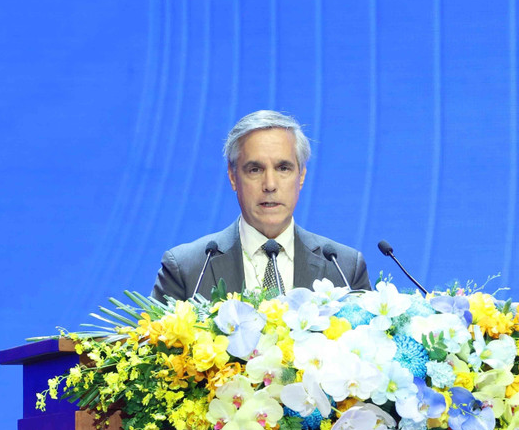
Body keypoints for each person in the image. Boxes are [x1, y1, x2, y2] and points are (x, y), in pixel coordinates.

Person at [152, 110, 371, 302]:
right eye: (255, 170)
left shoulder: (343, 268)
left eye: (283, 168)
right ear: (232, 176)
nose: (270, 185)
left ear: (301, 175)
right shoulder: (187, 269)